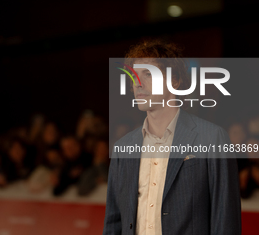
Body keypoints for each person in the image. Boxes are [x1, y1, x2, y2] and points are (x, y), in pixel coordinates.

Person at [103, 40, 241, 235]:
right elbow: (114, 222)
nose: (138, 84)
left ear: (174, 81)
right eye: (134, 76)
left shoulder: (211, 137)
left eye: (149, 74)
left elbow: (226, 220)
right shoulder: (123, 147)